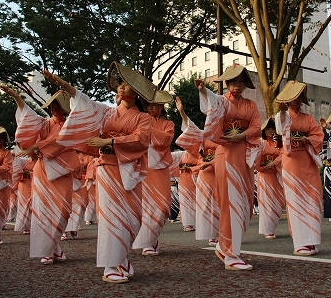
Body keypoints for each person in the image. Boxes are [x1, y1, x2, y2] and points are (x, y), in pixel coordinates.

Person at [46, 62, 153, 283]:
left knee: (134, 218)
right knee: (111, 217)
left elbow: (141, 139)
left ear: (137, 92)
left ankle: (121, 257)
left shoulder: (143, 118)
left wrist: (110, 140)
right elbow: (86, 103)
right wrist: (64, 85)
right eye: (121, 84)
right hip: (107, 167)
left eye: (127, 85)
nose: (122, 88)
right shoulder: (107, 113)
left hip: (129, 169)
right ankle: (110, 265)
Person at [1, 86, 80, 264]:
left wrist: (36, 146)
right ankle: (48, 250)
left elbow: (60, 139)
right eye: (53, 105)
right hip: (43, 169)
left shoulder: (70, 125)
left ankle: (53, 246)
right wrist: (17, 98)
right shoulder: (43, 123)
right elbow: (28, 117)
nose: (55, 108)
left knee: (63, 211)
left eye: (59, 105)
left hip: (63, 171)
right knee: (44, 211)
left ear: (65, 107)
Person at [195, 64, 261, 270]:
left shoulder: (251, 105)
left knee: (245, 204)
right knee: (230, 202)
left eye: (241, 82)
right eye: (233, 82)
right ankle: (230, 253)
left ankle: (226, 248)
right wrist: (203, 90)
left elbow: (257, 126)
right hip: (225, 154)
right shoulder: (222, 101)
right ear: (227, 83)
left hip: (245, 155)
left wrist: (240, 135)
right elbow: (212, 104)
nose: (237, 86)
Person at [274, 80, 324, 256]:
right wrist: (281, 111)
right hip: (291, 160)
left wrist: (307, 140)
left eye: (299, 97)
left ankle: (312, 240)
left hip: (307, 159)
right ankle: (300, 242)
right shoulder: (283, 115)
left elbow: (318, 134)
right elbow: (281, 130)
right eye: (293, 97)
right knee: (295, 199)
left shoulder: (308, 118)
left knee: (313, 197)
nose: (296, 100)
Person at [132, 90, 175, 255]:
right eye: (148, 105)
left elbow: (165, 139)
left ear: (161, 106)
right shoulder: (141, 120)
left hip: (161, 167)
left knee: (164, 206)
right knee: (146, 206)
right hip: (144, 166)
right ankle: (147, 243)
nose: (151, 108)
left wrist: (147, 130)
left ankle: (151, 237)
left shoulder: (168, 123)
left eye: (155, 105)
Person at [175, 96, 220, 246]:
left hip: (220, 171)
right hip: (205, 173)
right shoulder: (202, 135)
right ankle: (211, 234)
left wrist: (212, 162)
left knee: (220, 202)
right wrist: (182, 112)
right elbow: (191, 128)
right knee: (206, 203)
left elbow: (227, 154)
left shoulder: (223, 136)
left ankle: (222, 232)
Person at [254, 118, 285, 240]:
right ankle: (268, 230)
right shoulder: (261, 143)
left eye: (272, 128)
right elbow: (255, 158)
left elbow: (284, 153)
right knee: (267, 202)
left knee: (280, 200)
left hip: (277, 174)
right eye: (268, 128)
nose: (271, 131)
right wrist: (260, 167)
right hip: (264, 175)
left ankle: (272, 225)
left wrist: (274, 163)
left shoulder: (279, 143)